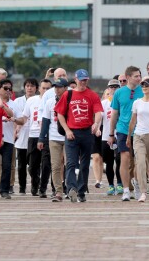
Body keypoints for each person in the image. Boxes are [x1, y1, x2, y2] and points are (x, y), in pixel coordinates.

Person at [55, 69, 103, 203]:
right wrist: (67, 130)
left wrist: (96, 123)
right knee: (70, 162)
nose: (83, 82)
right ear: (75, 79)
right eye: (81, 79)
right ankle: (71, 188)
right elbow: (60, 114)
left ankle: (81, 191)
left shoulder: (92, 95)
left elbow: (98, 111)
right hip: (72, 132)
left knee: (85, 163)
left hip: (87, 132)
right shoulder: (68, 95)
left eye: (85, 80)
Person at [108, 66, 143, 201]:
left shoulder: (144, 91)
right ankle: (126, 190)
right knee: (125, 159)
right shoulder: (119, 93)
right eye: (136, 76)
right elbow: (114, 114)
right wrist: (111, 134)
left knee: (139, 161)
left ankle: (138, 187)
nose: (139, 78)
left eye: (139, 75)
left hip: (140, 130)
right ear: (128, 77)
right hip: (123, 130)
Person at [37, 78, 68, 202]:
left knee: (69, 164)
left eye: (60, 87)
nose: (57, 89)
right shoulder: (50, 102)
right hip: (54, 138)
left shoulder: (70, 101)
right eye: (55, 87)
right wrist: (41, 139)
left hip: (68, 137)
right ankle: (58, 191)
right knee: (55, 166)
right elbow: (45, 122)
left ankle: (70, 188)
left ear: (65, 88)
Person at [22, 79, 52, 197]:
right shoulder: (31, 100)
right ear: (39, 89)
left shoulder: (52, 101)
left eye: (48, 88)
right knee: (32, 165)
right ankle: (35, 182)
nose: (45, 91)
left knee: (46, 164)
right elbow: (24, 118)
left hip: (47, 136)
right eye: (43, 88)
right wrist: (16, 126)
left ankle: (42, 188)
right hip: (33, 135)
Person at [0, 79, 22, 199]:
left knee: (7, 166)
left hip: (8, 139)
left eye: (9, 89)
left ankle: (5, 190)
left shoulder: (14, 104)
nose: (8, 91)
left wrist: (13, 120)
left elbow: (20, 119)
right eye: (5, 88)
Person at [14, 78, 39, 195]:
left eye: (32, 86)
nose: (29, 88)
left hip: (34, 136)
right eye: (27, 86)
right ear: (24, 87)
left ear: (36, 88)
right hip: (22, 137)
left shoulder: (40, 100)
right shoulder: (18, 101)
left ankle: (35, 186)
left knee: (34, 165)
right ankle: (22, 188)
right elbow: (16, 118)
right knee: (21, 166)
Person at [101, 79, 122, 195]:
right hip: (106, 136)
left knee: (119, 160)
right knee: (109, 162)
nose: (113, 89)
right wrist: (96, 126)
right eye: (111, 87)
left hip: (120, 135)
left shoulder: (122, 102)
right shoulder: (104, 103)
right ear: (108, 89)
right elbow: (99, 117)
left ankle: (119, 183)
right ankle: (110, 185)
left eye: (116, 87)